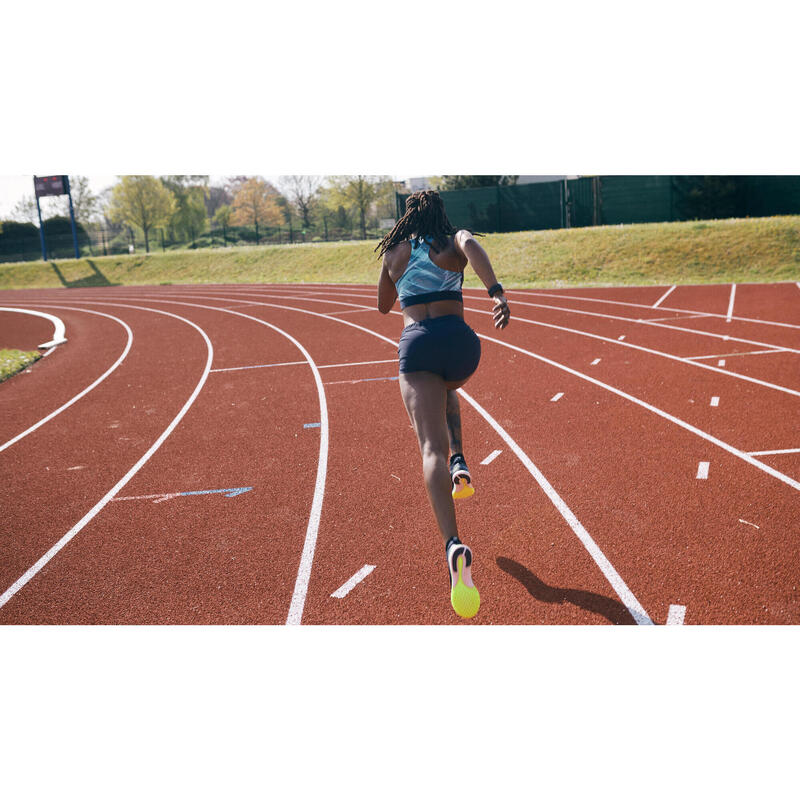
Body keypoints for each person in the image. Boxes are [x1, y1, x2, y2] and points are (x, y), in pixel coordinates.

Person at [375, 190, 510, 619]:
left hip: (417, 346)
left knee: (427, 444)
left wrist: (396, 271)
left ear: (405, 218)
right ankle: (460, 461)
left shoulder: (396, 252)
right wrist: (496, 292)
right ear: (441, 214)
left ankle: (453, 544)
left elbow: (382, 307)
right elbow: (473, 246)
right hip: (461, 346)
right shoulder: (454, 240)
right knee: (446, 384)